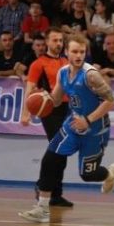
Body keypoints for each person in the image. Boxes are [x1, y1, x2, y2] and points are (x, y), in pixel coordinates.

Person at [18, 34, 114, 223]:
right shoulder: (63, 73)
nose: (78, 55)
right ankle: (42, 208)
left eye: (82, 52)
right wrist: (44, 99)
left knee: (88, 175)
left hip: (94, 129)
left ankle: (110, 174)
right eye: (74, 51)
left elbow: (111, 101)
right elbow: (57, 99)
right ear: (67, 52)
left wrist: (88, 120)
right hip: (72, 125)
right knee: (50, 159)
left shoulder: (91, 75)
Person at [20, 28, 73, 207]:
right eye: (55, 40)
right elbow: (30, 88)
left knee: (62, 152)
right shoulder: (38, 63)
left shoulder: (68, 61)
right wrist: (26, 113)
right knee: (57, 148)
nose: (59, 43)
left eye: (60, 40)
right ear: (48, 43)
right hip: (50, 110)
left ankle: (55, 194)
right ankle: (42, 186)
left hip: (68, 109)